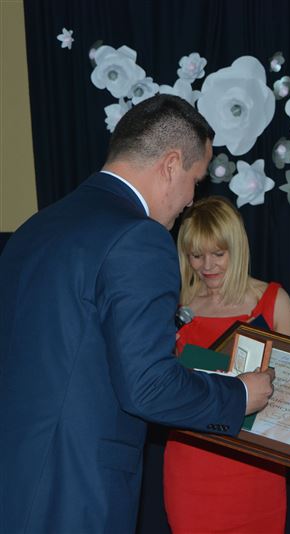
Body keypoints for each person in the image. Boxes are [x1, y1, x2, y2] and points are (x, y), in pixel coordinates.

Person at [0, 95, 275, 533]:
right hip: (77, 491)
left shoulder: (35, 228)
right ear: (171, 164)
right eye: (195, 181)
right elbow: (147, 387)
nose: (191, 200)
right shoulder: (138, 238)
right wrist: (239, 395)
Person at [164, 196, 290, 534]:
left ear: (237, 249)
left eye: (218, 254)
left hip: (256, 465)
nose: (207, 266)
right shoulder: (175, 305)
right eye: (196, 255)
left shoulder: (272, 301)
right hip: (192, 463)